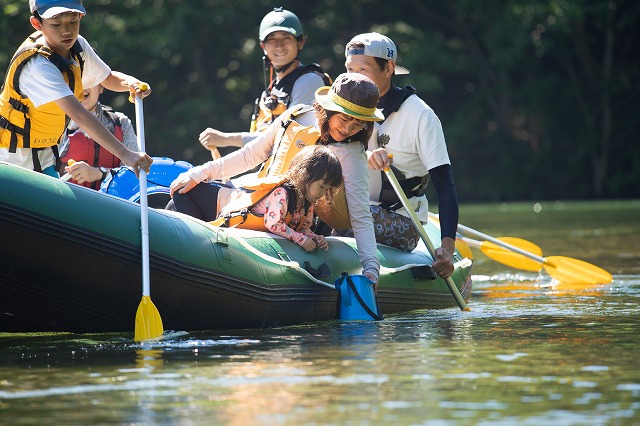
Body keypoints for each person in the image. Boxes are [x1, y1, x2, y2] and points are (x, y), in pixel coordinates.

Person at [169, 73, 383, 283]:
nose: (348, 129)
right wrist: (199, 173)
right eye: (344, 119)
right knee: (183, 194)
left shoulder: (352, 153)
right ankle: (187, 268)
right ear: (329, 109)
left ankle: (196, 270)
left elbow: (360, 214)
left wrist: (371, 267)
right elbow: (249, 155)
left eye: (358, 124)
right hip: (257, 205)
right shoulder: (295, 117)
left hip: (294, 224)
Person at [344, 32, 459, 279]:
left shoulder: (421, 115)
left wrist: (447, 248)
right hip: (358, 207)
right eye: (349, 69)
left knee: (351, 213)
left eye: (362, 69)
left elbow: (445, 185)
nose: (354, 78)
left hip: (403, 221)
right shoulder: (342, 108)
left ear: (389, 68)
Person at [0, 0, 152, 178]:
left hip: (46, 155)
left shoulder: (77, 45)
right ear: (37, 24)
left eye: (73, 21)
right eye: (56, 24)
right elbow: (80, 115)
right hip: (12, 157)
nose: (66, 31)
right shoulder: (38, 65)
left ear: (80, 16)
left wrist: (130, 83)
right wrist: (125, 154)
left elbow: (107, 78)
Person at [198, 7, 331, 154]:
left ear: (300, 42)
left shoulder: (309, 81)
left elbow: (287, 139)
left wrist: (226, 139)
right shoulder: (271, 91)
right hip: (273, 171)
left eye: (286, 38)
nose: (279, 45)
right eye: (272, 39)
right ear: (263, 46)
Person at [174, 146, 342, 253]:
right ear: (306, 176)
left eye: (327, 190)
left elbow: (303, 228)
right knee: (194, 244)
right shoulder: (282, 194)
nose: (322, 193)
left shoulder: (307, 202)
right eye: (322, 186)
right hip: (201, 201)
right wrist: (301, 240)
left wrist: (313, 237)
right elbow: (273, 223)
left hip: (218, 207)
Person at [58, 84, 138, 189]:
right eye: (79, 79)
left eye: (90, 80)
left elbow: (133, 176)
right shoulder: (57, 124)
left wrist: (99, 173)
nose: (82, 86)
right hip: (69, 202)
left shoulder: (121, 123)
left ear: (101, 87)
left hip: (111, 202)